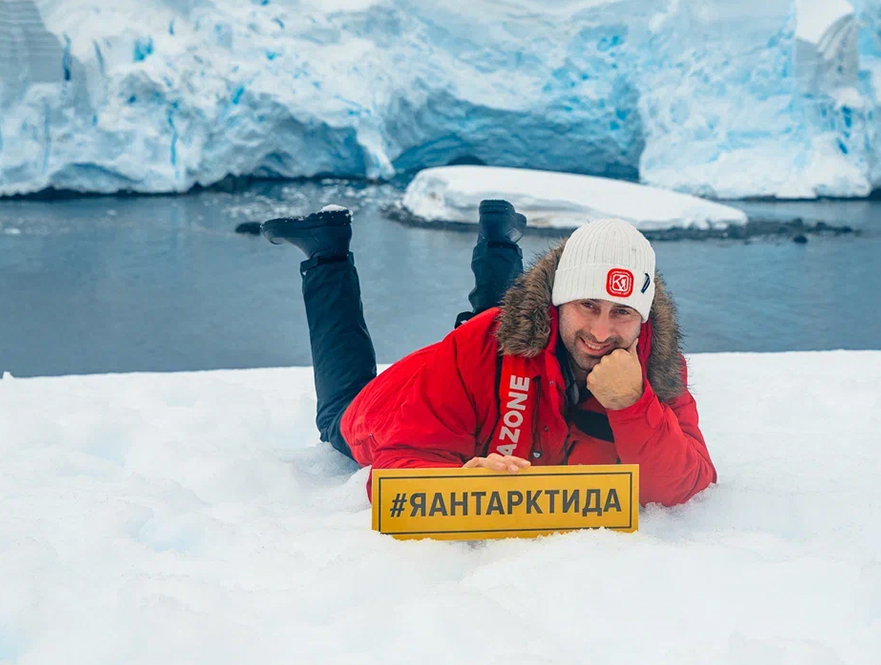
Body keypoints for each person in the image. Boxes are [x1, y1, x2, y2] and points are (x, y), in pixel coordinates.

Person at [262, 201, 716, 506]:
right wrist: (459, 482)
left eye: (621, 312)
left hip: (483, 376)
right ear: (560, 303)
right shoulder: (482, 344)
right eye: (588, 305)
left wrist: (633, 404)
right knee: (337, 410)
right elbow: (400, 465)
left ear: (643, 319)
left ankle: (499, 236)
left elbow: (686, 482)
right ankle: (328, 253)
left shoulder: (656, 363)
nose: (601, 332)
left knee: (509, 332)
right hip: (389, 407)